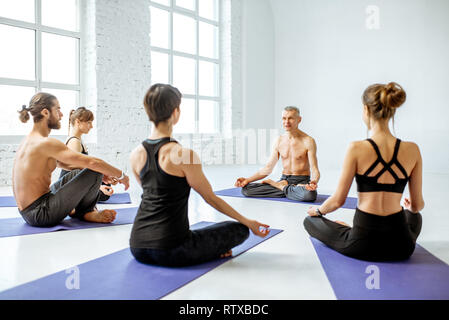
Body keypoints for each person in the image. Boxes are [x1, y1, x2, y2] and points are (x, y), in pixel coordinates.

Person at [129, 83, 270, 267]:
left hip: (137, 247)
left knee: (208, 230)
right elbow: (210, 199)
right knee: (239, 230)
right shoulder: (183, 154)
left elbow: (152, 195)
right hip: (172, 250)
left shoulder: (135, 154)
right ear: (176, 112)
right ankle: (213, 251)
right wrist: (248, 222)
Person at [303, 82, 423, 262]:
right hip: (401, 247)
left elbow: (338, 201)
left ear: (366, 110)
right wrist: (409, 207)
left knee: (310, 221)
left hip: (362, 245)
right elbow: (417, 205)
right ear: (392, 111)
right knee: (415, 217)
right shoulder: (413, 149)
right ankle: (351, 230)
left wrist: (318, 211)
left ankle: (347, 230)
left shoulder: (356, 148)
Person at [13, 92, 130, 227]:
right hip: (41, 213)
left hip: (28, 212)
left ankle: (83, 209)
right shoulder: (46, 143)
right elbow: (93, 163)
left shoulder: (28, 141)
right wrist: (121, 175)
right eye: (58, 109)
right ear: (45, 112)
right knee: (94, 168)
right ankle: (86, 212)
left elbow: (65, 164)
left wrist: (103, 175)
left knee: (93, 170)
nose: (62, 115)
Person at [235, 106, 320, 202]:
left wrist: (313, 182)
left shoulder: (308, 141)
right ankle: (287, 188)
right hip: (285, 179)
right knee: (246, 190)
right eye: (284, 118)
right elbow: (268, 168)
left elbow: (314, 169)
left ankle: (280, 187)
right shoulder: (279, 140)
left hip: (302, 181)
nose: (286, 122)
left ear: (299, 120)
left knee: (309, 195)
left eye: (291, 118)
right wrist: (247, 180)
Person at [60, 107, 114, 202]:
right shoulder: (74, 142)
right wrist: (98, 188)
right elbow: (74, 176)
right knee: (105, 189)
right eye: (89, 122)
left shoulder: (78, 140)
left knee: (105, 184)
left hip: (74, 186)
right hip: (69, 189)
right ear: (78, 122)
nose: (91, 126)